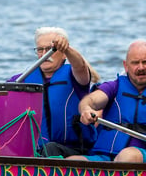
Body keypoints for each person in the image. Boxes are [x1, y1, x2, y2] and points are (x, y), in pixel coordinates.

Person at [8, 27, 96, 157]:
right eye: (40, 49)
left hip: (75, 149)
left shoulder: (76, 75)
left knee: (50, 148)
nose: (44, 54)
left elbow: (80, 66)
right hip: (37, 151)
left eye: (50, 50)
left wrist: (66, 48)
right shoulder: (23, 79)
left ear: (64, 54)